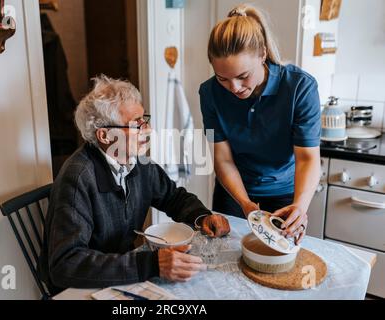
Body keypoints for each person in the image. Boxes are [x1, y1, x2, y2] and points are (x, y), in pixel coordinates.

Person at [39, 75, 230, 294]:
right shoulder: (78, 178)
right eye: (136, 124)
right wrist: (151, 264)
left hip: (122, 272)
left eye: (144, 119)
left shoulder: (137, 162)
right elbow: (65, 264)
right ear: (105, 135)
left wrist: (203, 217)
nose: (147, 130)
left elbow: (174, 198)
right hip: (80, 287)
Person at [199, 4, 321, 245]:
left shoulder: (300, 88)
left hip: (285, 195)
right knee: (225, 258)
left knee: (279, 259)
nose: (233, 88)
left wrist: (300, 206)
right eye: (223, 78)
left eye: (243, 76)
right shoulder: (209, 93)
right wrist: (244, 204)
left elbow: (308, 158)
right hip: (233, 193)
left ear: (262, 54)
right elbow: (223, 159)